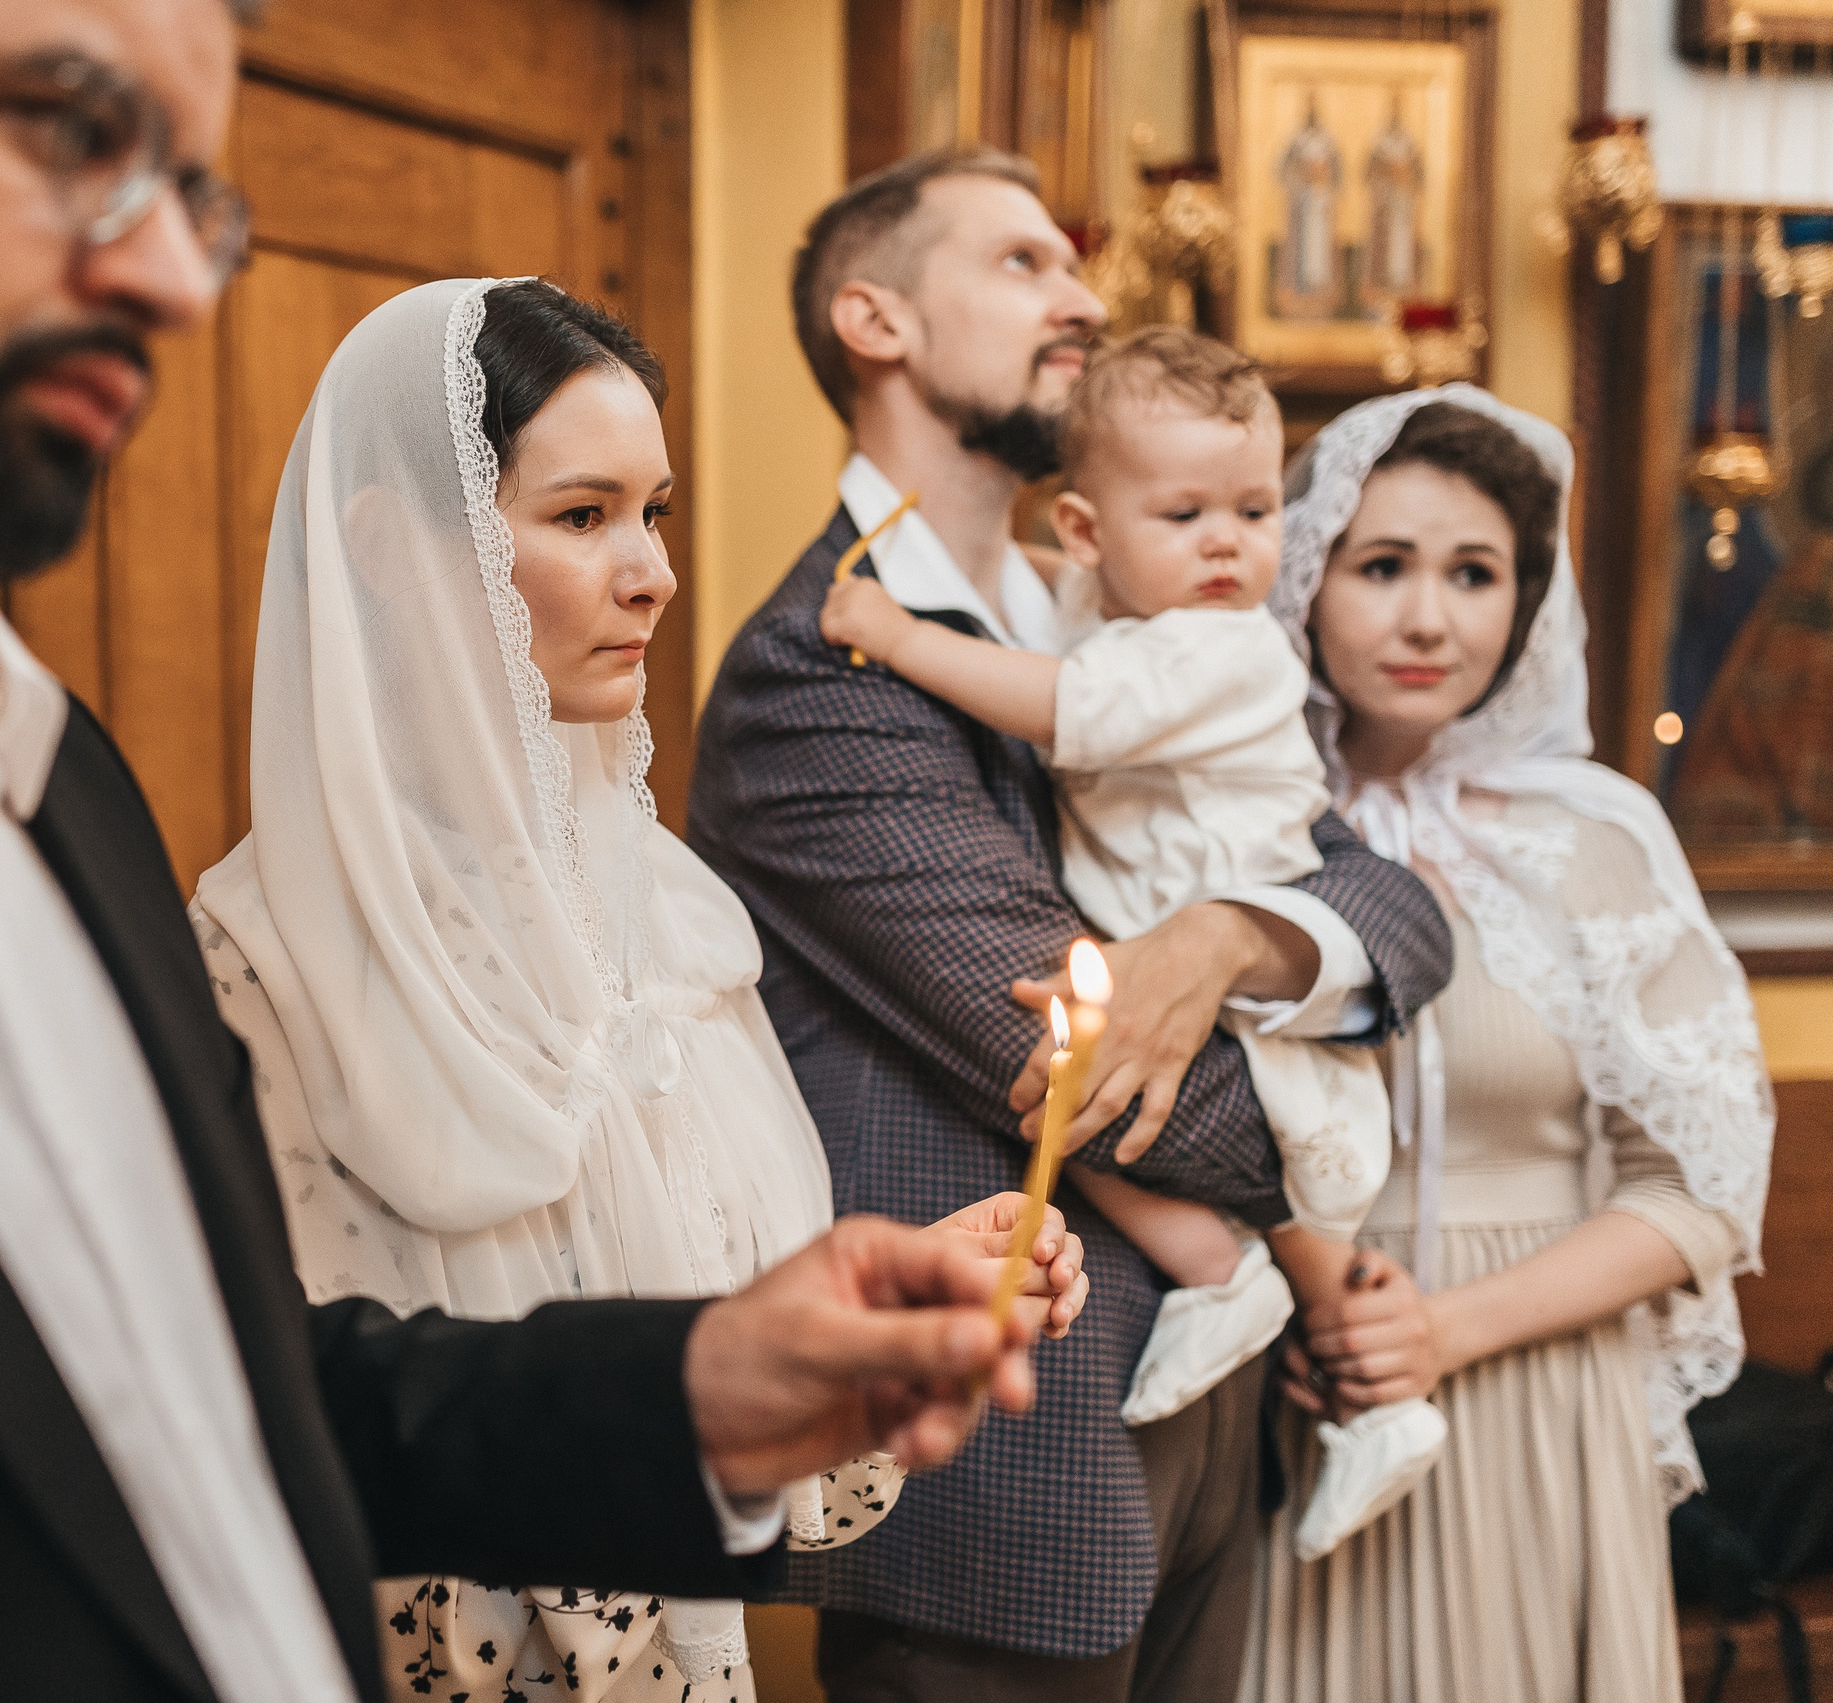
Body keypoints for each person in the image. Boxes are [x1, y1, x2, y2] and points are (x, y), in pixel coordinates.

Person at [0, 3, 1070, 1697]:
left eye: (188, 193)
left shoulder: (52, 779)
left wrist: (688, 1384)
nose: (164, 276)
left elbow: (223, 1391)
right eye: (73, 132)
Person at [190, 275, 1090, 1703]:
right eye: (581, 513)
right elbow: (287, 1429)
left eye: (655, 511)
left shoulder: (669, 914)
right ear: (388, 546)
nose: (654, 569)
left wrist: (901, 1291)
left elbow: (720, 1357)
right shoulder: (261, 958)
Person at [689, 145, 1455, 1703]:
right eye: (1024, 263)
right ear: (875, 319)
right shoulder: (819, 675)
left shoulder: (1129, 613)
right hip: (1004, 1461)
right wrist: (1324, 1175)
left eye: (1073, 262)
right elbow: (1078, 1064)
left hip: (1210, 1405)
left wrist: (1234, 938)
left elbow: (1392, 896)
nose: (1084, 295)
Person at [818, 328, 1441, 1565]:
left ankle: (1275, 1316)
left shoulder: (1225, 642)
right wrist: (1067, 553)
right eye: (1186, 512)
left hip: (1238, 1000)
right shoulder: (1118, 602)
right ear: (1097, 534)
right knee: (1068, 1106)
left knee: (1092, 1107)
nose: (1227, 541)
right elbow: (1069, 590)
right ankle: (1269, 1308)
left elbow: (1063, 705)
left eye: (1256, 509)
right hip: (1165, 965)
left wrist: (890, 631)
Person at [1244, 388, 1773, 1701]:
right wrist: (1328, 1311)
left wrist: (1447, 1329)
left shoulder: (1595, 836)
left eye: (1475, 572)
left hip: (1535, 1390)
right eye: (1382, 566)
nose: (1430, 616)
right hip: (1296, 1389)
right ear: (1307, 581)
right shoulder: (1229, 822)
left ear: (1526, 599)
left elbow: (1701, 1185)